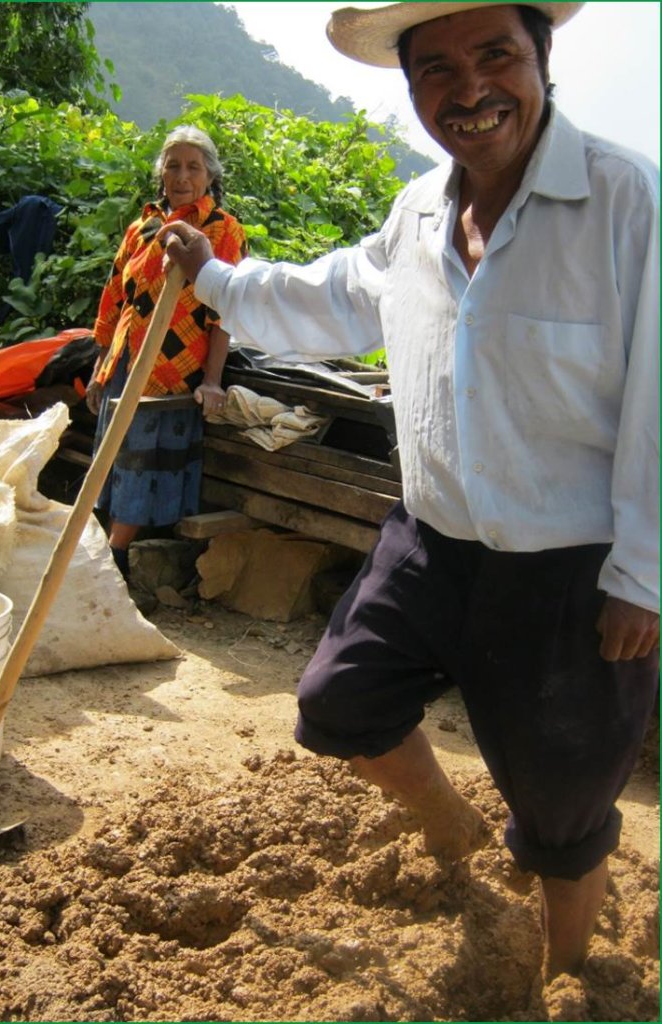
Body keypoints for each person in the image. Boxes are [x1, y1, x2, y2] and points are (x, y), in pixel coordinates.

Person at [159, 2, 659, 982]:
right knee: (336, 702)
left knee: (560, 808)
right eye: (435, 68)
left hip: (565, 565)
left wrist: (641, 571)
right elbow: (326, 297)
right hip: (427, 539)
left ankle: (561, 978)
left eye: (493, 56)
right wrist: (212, 278)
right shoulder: (416, 212)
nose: (467, 90)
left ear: (541, 56)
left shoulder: (623, 203)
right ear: (409, 85)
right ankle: (454, 827)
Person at [85, 125, 247, 580]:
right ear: (161, 174)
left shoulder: (221, 230)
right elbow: (114, 296)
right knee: (113, 460)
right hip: (125, 363)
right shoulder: (144, 225)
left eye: (193, 167)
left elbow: (225, 312)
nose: (181, 175)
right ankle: (104, 557)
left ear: (210, 176)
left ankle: (114, 561)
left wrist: (212, 380)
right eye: (173, 165)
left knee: (140, 462)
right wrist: (101, 366)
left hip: (171, 372)